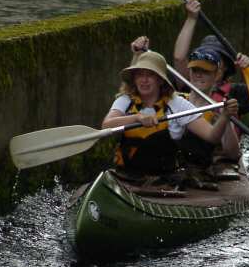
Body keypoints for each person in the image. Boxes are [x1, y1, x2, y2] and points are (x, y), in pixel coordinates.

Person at [101, 49, 238, 182]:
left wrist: (225, 117)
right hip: (127, 175)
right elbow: (106, 125)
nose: (144, 80)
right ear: (134, 79)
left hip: (164, 178)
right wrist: (137, 117)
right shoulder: (125, 100)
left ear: (160, 80)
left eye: (150, 75)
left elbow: (212, 137)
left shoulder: (177, 104)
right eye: (140, 75)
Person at [173, 0, 249, 117]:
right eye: (205, 58)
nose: (200, 73)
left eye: (216, 58)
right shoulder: (191, 83)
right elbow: (179, 58)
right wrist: (191, 18)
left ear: (224, 68)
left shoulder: (237, 92)